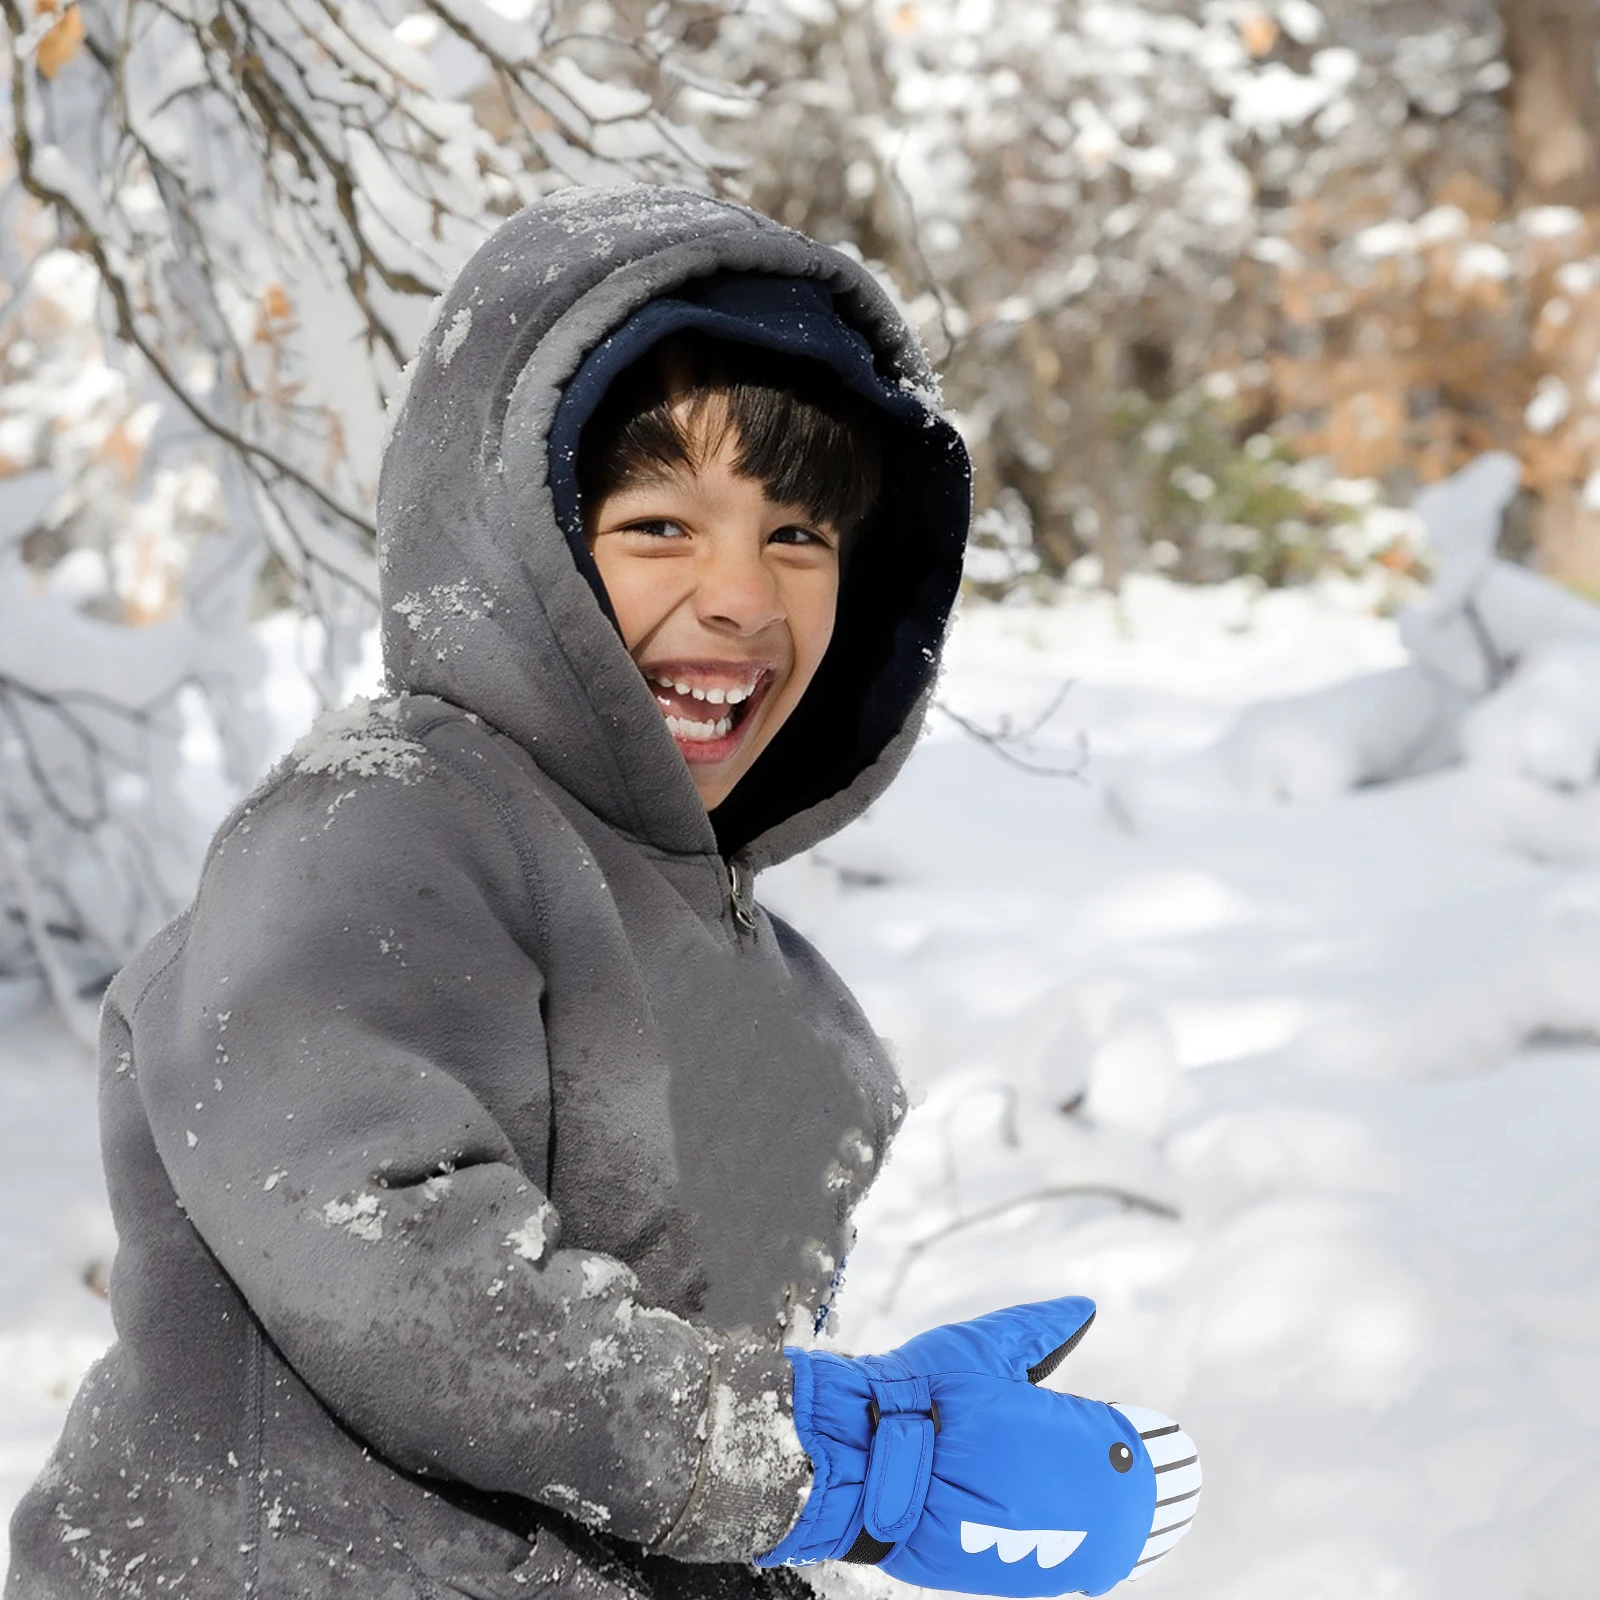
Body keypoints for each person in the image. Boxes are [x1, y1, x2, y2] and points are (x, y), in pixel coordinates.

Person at [5, 188, 1198, 1600]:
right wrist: (847, 1458)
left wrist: (860, 1434)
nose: (741, 598)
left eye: (799, 537)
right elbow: (409, 1272)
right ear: (513, 537)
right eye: (659, 526)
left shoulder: (777, 981)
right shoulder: (379, 825)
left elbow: (657, 1437)